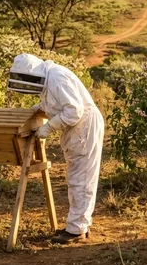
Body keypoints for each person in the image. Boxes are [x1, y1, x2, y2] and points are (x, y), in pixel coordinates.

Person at [8, 54, 104, 244]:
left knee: (81, 178)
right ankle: (79, 226)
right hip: (78, 129)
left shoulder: (57, 77)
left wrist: (48, 127)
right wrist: (35, 110)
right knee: (76, 177)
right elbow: (51, 103)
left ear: (33, 73)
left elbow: (73, 111)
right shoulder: (49, 79)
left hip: (83, 127)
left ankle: (77, 230)